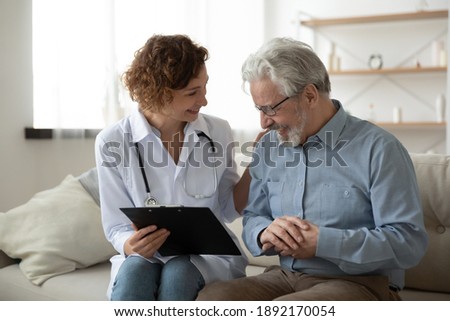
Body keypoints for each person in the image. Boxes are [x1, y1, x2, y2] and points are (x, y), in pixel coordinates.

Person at [196, 37, 429, 301]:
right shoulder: (269, 147)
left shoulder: (379, 148)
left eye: (271, 108)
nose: (263, 122)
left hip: (360, 283)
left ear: (309, 95)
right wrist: (264, 232)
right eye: (259, 109)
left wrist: (323, 242)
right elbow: (253, 216)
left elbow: (409, 243)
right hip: (285, 276)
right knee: (212, 299)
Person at [94, 34, 258, 301]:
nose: (204, 100)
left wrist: (255, 165)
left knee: (178, 272)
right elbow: (116, 225)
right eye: (192, 92)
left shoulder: (217, 131)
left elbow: (228, 209)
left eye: (204, 87)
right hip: (148, 256)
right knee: (134, 271)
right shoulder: (113, 141)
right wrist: (129, 244)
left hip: (208, 256)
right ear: (158, 92)